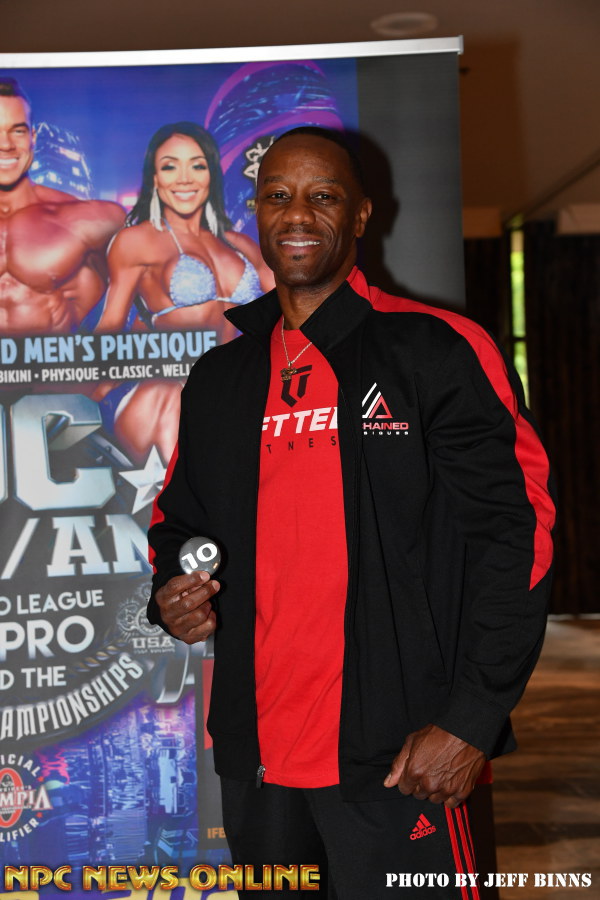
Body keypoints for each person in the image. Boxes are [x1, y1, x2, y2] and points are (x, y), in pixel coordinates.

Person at [147, 127, 555, 897]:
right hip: (261, 766)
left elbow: (518, 535)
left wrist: (471, 718)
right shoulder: (222, 376)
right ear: (256, 214)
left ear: (362, 214)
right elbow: (179, 519)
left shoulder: (434, 349)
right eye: (278, 196)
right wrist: (174, 589)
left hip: (407, 756)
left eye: (323, 196)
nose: (298, 214)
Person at [95, 121, 273, 340]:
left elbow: (293, 309)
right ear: (155, 179)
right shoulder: (137, 241)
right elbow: (109, 328)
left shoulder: (239, 244)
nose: (185, 179)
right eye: (169, 167)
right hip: (174, 363)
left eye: (197, 166)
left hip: (240, 362)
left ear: (211, 175)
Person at [0, 77, 124, 334]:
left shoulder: (87, 220)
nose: (6, 144)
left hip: (52, 358)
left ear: (33, 138)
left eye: (18, 131)